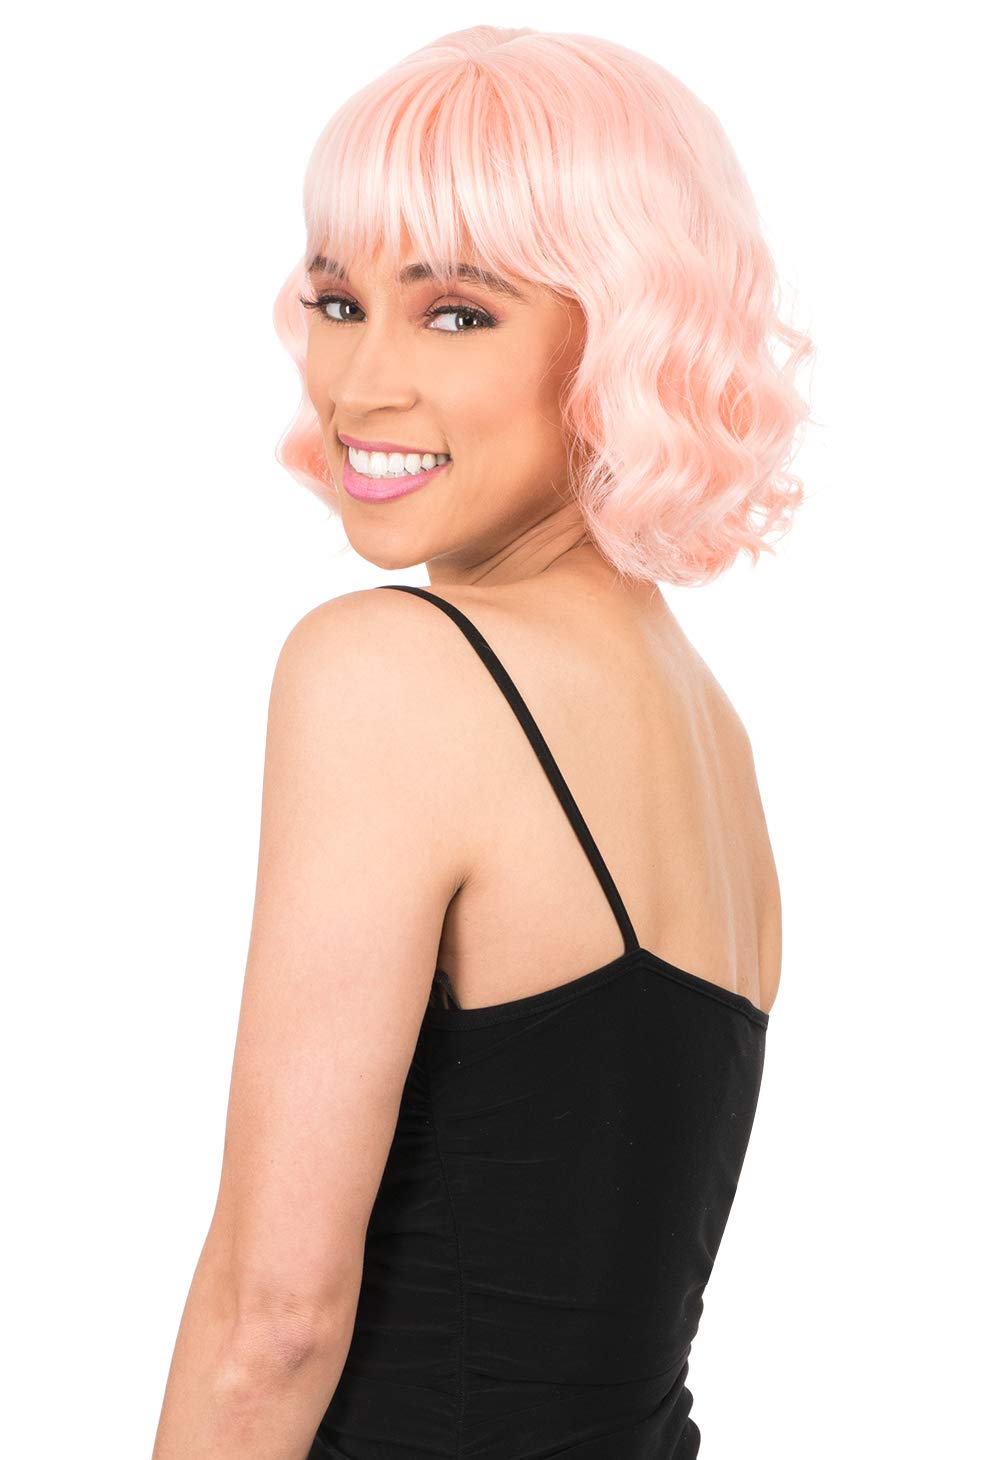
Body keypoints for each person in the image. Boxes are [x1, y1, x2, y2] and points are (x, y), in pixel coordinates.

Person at [152, 25, 813, 1460]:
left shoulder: (394, 671)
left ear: (621, 340)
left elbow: (274, 1322)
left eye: (457, 313)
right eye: (340, 300)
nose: (359, 383)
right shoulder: (713, 736)